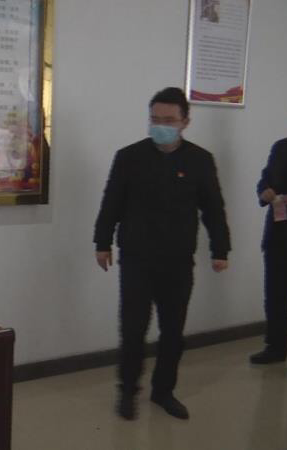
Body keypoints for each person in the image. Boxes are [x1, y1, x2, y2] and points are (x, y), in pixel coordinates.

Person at [94, 87, 231, 420]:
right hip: (137, 258)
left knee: (173, 331)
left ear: (185, 122)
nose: (161, 126)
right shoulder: (129, 157)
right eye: (155, 119)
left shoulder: (200, 160)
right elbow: (112, 202)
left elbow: (213, 209)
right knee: (132, 329)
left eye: (169, 120)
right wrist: (102, 242)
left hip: (178, 261)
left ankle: (163, 391)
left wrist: (220, 249)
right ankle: (128, 391)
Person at [249, 97, 287, 381]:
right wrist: (264, 191)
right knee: (276, 297)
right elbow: (265, 178)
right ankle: (275, 348)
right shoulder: (281, 147)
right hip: (278, 236)